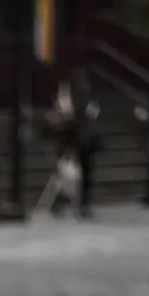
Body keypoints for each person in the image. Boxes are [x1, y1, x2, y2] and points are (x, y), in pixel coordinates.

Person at [43, 74, 101, 218]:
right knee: (71, 175)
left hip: (79, 141)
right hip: (76, 142)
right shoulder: (73, 100)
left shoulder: (81, 101)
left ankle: (72, 203)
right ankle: (72, 203)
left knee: (73, 174)